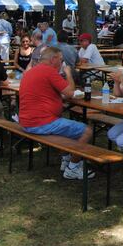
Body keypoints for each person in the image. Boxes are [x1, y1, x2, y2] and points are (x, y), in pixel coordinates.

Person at [18, 46, 96, 179]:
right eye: (60, 60)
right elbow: (70, 92)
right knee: (87, 131)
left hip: (26, 121)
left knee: (63, 127)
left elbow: (45, 92)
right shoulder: (49, 72)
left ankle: (66, 160)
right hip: (40, 123)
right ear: (53, 59)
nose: (61, 63)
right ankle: (73, 167)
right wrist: (69, 73)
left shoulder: (30, 72)